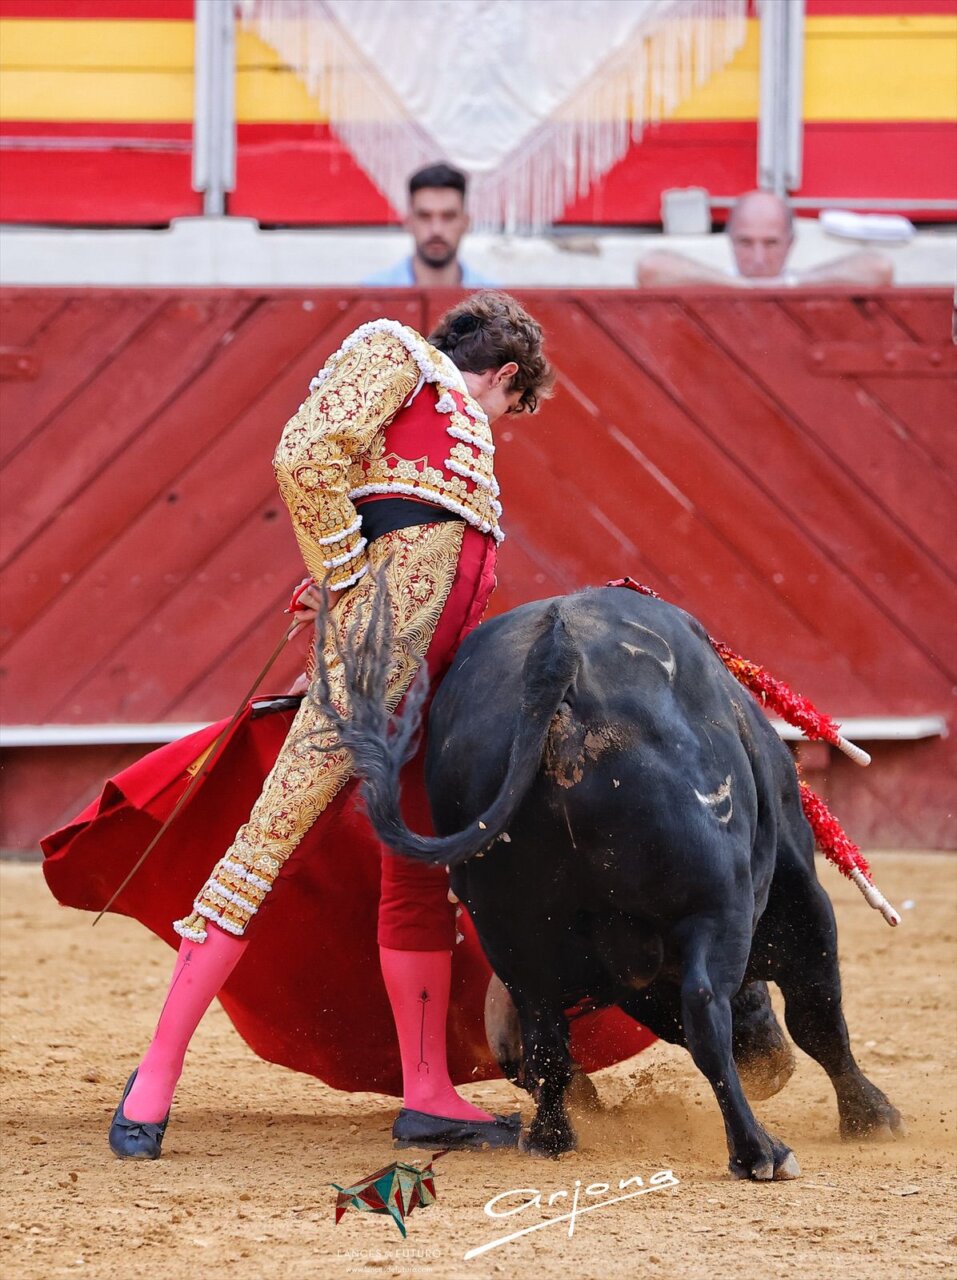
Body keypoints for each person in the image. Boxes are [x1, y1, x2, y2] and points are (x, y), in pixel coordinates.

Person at [106, 291, 553, 1158]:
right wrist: (343, 573)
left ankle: (428, 1095)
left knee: (416, 874)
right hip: (368, 674)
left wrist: (353, 564)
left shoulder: (436, 430)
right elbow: (305, 454)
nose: (500, 423)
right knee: (260, 855)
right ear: (503, 375)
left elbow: (391, 521)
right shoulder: (397, 351)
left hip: (438, 697)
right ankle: (152, 1081)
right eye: (511, 404)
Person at [637, 190, 893, 288]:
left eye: (771, 243)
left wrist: (790, 284)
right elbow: (651, 268)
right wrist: (739, 286)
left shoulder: (799, 284)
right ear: (730, 241)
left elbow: (879, 268)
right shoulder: (715, 283)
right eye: (746, 243)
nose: (758, 259)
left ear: (790, 243)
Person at [363, 163, 497, 288]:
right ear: (408, 222)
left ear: (466, 223)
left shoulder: (496, 301)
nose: (436, 230)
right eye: (424, 216)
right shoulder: (370, 295)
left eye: (448, 217)